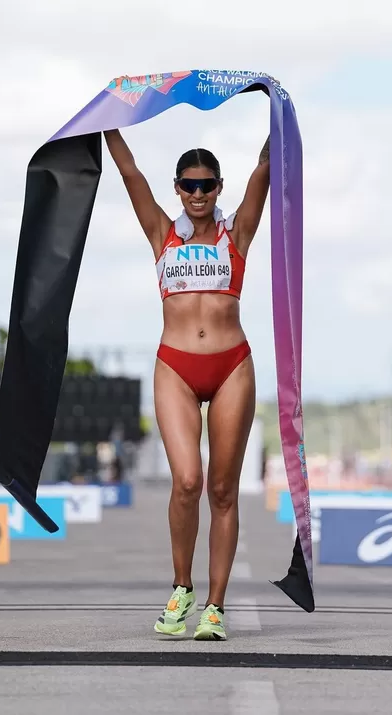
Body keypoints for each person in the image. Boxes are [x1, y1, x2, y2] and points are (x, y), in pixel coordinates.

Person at [104, 128, 270, 640]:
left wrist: (278, 114)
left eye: (207, 185)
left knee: (222, 489)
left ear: (220, 187)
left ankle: (216, 607)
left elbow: (266, 170)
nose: (198, 194)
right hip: (175, 366)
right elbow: (129, 171)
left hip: (231, 367)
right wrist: (109, 121)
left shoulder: (236, 232)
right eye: (188, 185)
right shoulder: (162, 232)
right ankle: (182, 588)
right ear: (176, 188)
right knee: (188, 482)